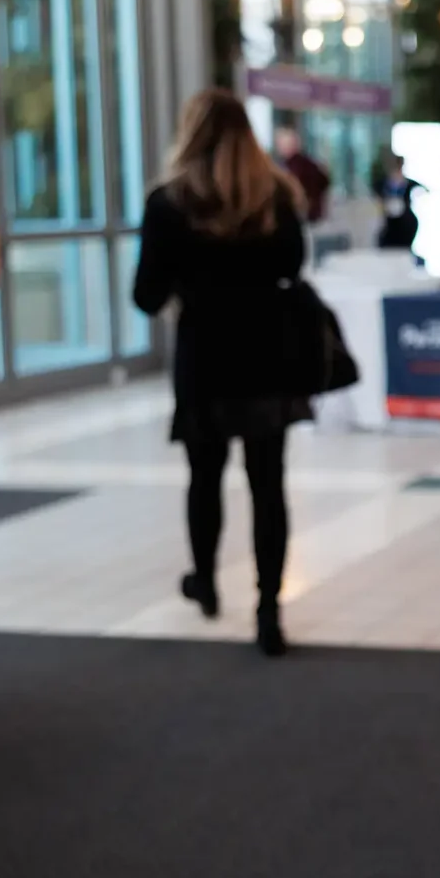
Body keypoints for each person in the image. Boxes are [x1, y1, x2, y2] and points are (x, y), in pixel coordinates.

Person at [134, 90, 310, 657]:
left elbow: (146, 294)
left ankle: (206, 581)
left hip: (204, 355)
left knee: (204, 476)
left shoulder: (169, 202)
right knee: (268, 483)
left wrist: (191, 282)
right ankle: (268, 610)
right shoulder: (275, 195)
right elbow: (293, 265)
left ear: (191, 133)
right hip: (268, 352)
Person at [274, 123, 331, 225]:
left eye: (281, 144)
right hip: (310, 216)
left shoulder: (290, 168)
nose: (279, 147)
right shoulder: (310, 164)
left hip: (300, 217)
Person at [372, 151, 425, 257]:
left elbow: (423, 189)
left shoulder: (408, 183)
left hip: (405, 221)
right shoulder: (382, 184)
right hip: (389, 222)